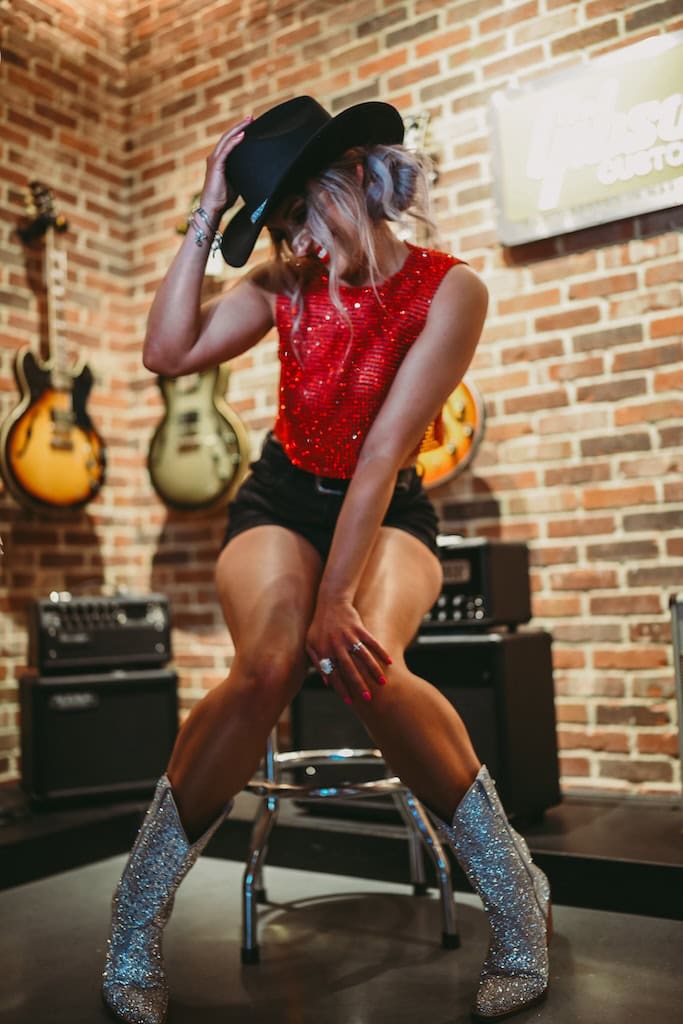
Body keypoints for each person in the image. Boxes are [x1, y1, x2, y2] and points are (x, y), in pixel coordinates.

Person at [102, 96, 551, 1024]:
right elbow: (164, 351)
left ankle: (519, 905)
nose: (294, 241)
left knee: (365, 666)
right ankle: (135, 920)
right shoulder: (281, 284)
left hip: (386, 505)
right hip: (280, 496)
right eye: (276, 225)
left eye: (300, 214)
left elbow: (384, 454)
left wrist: (337, 599)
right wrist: (206, 210)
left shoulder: (450, 289)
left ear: (349, 181)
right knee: (266, 664)